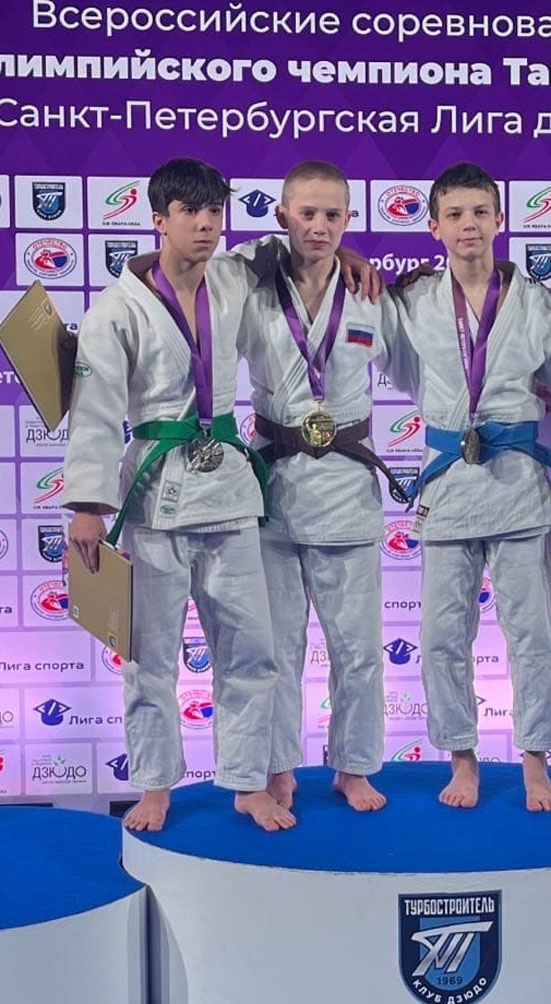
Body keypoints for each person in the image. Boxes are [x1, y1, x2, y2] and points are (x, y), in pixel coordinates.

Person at [63, 157, 293, 832]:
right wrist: (87, 506)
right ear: (158, 219)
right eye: (190, 211)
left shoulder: (233, 277)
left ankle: (247, 782)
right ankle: (155, 785)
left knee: (252, 652)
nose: (206, 224)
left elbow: (297, 245)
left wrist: (354, 258)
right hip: (155, 493)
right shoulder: (117, 309)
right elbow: (96, 409)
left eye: (215, 211)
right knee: (150, 657)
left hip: (229, 492)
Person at [395, 162, 551, 811]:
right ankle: (461, 756)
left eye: (480, 212)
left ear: (500, 220)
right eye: (455, 214)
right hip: (449, 484)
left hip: (520, 486)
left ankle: (536, 758)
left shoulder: (539, 303)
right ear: (434, 227)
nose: (468, 224)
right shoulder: (412, 304)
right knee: (441, 635)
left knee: (533, 633)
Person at [232, 161, 414, 816]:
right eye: (306, 213)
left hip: (346, 488)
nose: (319, 226)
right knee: (275, 647)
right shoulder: (250, 289)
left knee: (357, 648)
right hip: (273, 486)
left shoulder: (370, 297)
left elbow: (425, 375)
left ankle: (354, 767)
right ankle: (278, 768)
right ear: (282, 216)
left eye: (333, 215)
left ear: (349, 219)